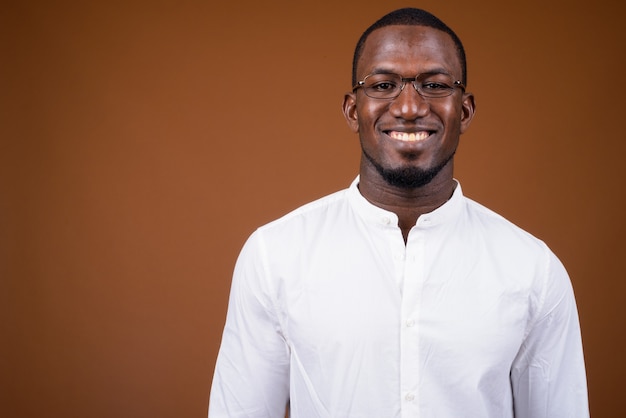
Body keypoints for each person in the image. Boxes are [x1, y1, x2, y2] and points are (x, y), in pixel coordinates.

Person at [209, 7, 589, 417]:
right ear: (354, 110)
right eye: (384, 84)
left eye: (435, 84)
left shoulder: (533, 270)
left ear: (464, 111)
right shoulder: (275, 256)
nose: (409, 106)